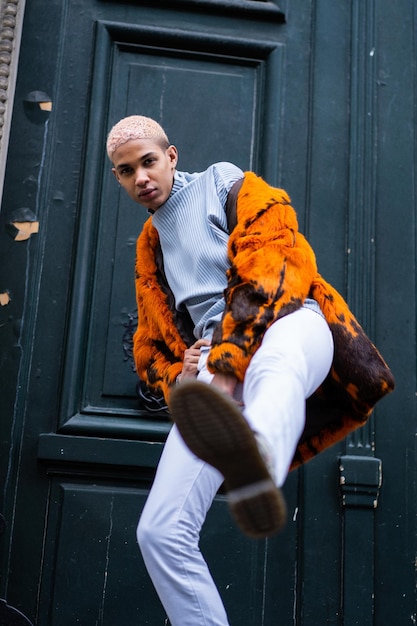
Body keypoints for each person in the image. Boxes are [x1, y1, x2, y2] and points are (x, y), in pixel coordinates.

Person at [106, 115, 394, 626]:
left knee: (274, 366)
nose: (141, 178)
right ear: (119, 178)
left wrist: (224, 367)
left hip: (289, 324)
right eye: (126, 172)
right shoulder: (150, 244)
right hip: (216, 365)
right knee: (160, 531)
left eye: (148, 162)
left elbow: (273, 271)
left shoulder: (225, 182)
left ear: (171, 156)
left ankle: (258, 453)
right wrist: (180, 370)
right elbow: (150, 347)